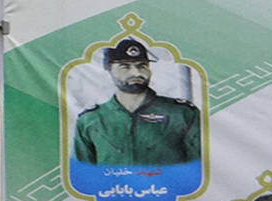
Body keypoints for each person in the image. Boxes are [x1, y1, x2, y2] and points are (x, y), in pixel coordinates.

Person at [72, 38, 200, 166]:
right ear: (109, 71)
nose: (136, 72)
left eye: (142, 66)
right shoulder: (90, 120)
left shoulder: (182, 114)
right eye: (125, 67)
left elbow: (200, 168)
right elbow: (83, 173)